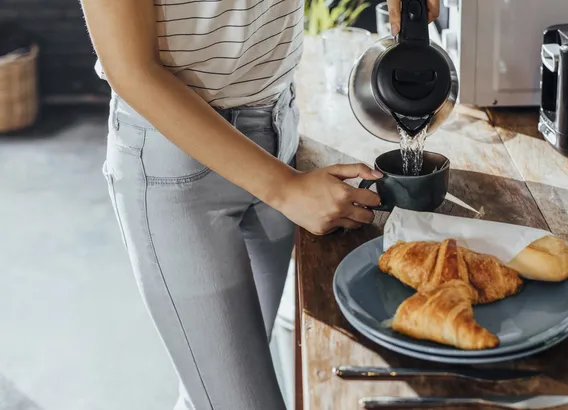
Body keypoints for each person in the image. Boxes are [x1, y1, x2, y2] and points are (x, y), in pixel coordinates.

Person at [80, 0, 439, 409]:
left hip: (276, 128)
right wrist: (285, 189)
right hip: (177, 163)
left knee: (212, 386)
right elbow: (131, 69)